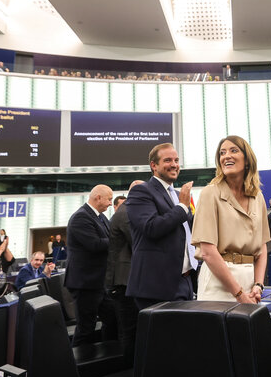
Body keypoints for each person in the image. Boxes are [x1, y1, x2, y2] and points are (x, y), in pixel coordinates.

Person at [191, 135, 270, 303]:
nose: (226, 156)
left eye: (234, 150)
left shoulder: (258, 197)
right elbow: (207, 252)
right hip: (217, 284)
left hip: (250, 282)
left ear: (247, 160)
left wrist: (258, 285)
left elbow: (262, 246)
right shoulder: (209, 193)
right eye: (222, 153)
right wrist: (240, 295)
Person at [125, 144, 197, 309]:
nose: (174, 164)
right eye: (168, 160)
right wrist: (182, 208)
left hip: (185, 281)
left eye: (176, 160)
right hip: (156, 287)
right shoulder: (141, 191)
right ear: (154, 165)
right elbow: (151, 227)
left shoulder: (179, 196)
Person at [65, 184, 117, 347]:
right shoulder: (81, 217)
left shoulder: (101, 217)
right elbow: (94, 244)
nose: (111, 203)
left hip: (99, 283)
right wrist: (119, 240)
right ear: (98, 198)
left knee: (113, 319)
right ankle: (76, 366)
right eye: (109, 199)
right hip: (85, 284)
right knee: (86, 328)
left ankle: (109, 354)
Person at [106, 179, 144, 364]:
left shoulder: (127, 210)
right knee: (130, 331)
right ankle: (130, 376)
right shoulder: (127, 212)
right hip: (123, 283)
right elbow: (140, 242)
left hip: (126, 282)